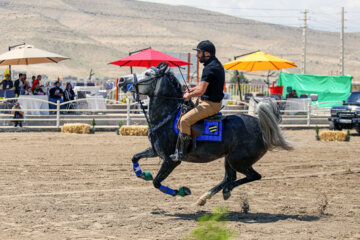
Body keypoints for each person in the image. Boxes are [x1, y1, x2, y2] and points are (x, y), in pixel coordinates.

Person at [170, 40, 225, 161]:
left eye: (199, 52)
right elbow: (202, 87)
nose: (197, 55)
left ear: (207, 53)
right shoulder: (213, 65)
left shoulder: (210, 68)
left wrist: (187, 96)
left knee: (184, 121)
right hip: (205, 101)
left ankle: (183, 153)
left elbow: (201, 91)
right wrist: (192, 89)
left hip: (210, 105)